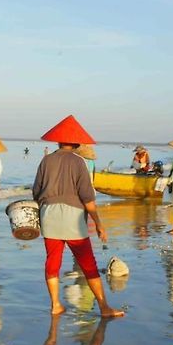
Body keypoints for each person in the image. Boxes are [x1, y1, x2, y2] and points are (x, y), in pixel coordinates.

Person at [32, 115, 124, 317]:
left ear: (58, 140)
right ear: (76, 143)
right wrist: (98, 223)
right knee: (87, 263)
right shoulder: (79, 162)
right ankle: (103, 307)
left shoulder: (46, 161)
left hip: (49, 216)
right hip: (73, 218)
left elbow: (36, 193)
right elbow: (87, 197)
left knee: (52, 261)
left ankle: (56, 304)